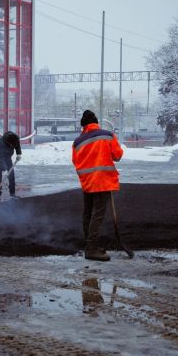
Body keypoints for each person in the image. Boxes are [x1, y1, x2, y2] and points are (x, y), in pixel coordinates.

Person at [72, 110, 123, 262]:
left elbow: (75, 161)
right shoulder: (107, 135)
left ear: (84, 126)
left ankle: (90, 245)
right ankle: (92, 249)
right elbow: (118, 155)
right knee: (97, 215)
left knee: (88, 213)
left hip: (87, 182)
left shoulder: (78, 142)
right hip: (102, 181)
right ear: (96, 122)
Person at [0, 131, 22, 200]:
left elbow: (17, 146)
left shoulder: (15, 139)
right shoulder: (1, 143)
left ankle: (12, 193)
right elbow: (1, 158)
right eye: (11, 145)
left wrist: (19, 153)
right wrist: (5, 169)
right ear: (8, 142)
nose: (12, 146)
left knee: (11, 174)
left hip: (8, 156)